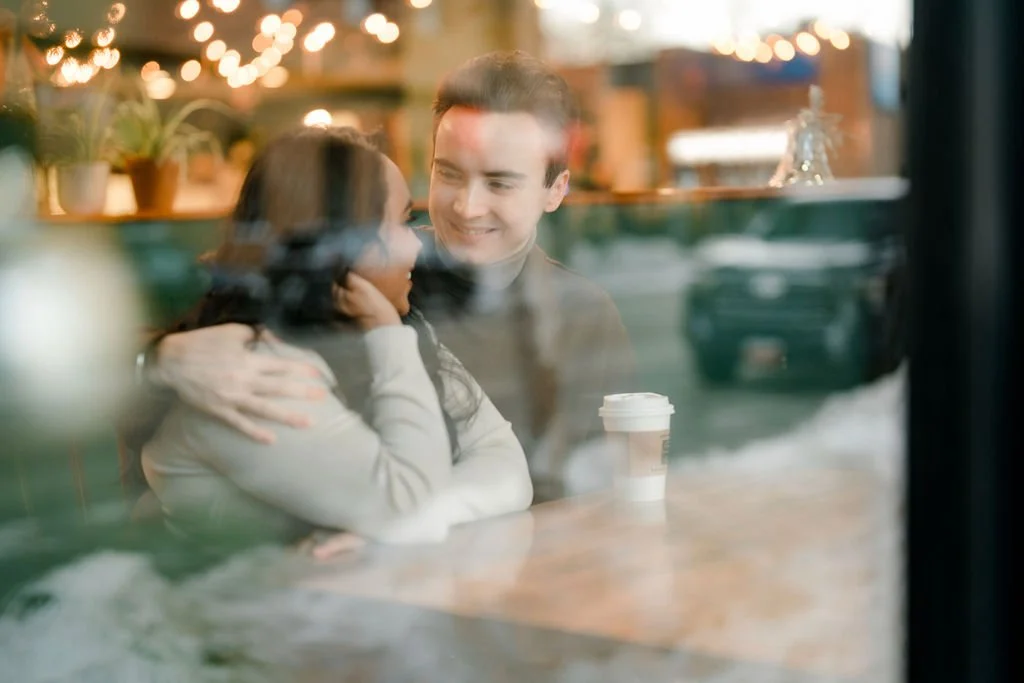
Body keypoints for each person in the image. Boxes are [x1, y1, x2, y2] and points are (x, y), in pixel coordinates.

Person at [127, 51, 634, 502]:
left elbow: (588, 492)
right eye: (449, 173)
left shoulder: (583, 314)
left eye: (499, 183)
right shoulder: (370, 269)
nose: (466, 205)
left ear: (556, 189)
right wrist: (158, 361)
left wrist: (409, 523)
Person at [134, 127, 532, 544]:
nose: (416, 247)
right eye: (399, 223)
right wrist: (388, 337)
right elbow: (406, 508)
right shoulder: (249, 371)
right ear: (333, 244)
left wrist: (394, 525)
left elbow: (503, 461)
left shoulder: (383, 324)